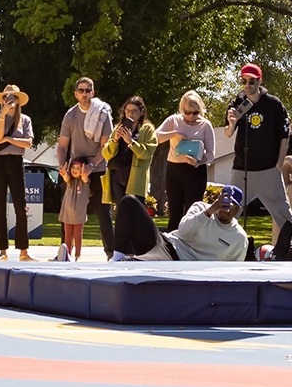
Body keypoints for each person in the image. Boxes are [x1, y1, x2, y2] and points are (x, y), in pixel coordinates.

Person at [224, 63, 292, 243]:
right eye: (244, 81)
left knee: (284, 214)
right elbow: (228, 133)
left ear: (260, 81)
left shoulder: (274, 104)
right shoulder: (237, 102)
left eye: (251, 81)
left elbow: (284, 136)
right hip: (242, 169)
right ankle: (219, 248)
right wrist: (232, 123)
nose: (247, 85)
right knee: (227, 212)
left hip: (268, 170)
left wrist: (279, 164)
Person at [111, 186, 248, 262]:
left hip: (178, 259)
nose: (225, 208)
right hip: (167, 242)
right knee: (129, 201)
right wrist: (208, 212)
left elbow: (233, 272)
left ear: (238, 209)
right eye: (223, 202)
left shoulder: (239, 238)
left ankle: (121, 266)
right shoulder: (201, 208)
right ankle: (116, 259)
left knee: (134, 264)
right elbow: (183, 232)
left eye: (231, 205)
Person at [56, 77, 114, 257]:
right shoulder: (70, 115)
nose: (84, 94)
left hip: (98, 167)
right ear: (75, 94)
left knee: (103, 211)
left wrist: (92, 165)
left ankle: (111, 253)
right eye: (81, 90)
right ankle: (64, 252)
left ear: (93, 93)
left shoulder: (102, 113)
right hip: (75, 171)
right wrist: (62, 166)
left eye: (87, 90)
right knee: (68, 212)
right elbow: (62, 145)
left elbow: (106, 146)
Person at [156, 90, 216, 231]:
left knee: (192, 212)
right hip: (174, 169)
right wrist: (175, 133)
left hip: (196, 171)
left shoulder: (205, 124)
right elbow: (156, 137)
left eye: (195, 113)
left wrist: (199, 162)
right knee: (174, 211)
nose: (191, 116)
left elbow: (211, 154)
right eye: (187, 112)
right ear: (182, 109)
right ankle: (172, 240)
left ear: (200, 110)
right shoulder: (174, 120)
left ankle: (191, 241)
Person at [0, 84, 35, 262]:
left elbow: (28, 143)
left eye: (13, 97)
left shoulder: (25, 119)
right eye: (6, 97)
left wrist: (9, 139)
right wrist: (3, 115)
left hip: (16, 162)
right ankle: (2, 251)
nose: (10, 100)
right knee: (0, 208)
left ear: (18, 100)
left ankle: (24, 251)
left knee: (20, 207)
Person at [101, 96, 157, 205]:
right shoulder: (118, 128)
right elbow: (106, 154)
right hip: (117, 175)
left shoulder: (147, 129)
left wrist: (131, 142)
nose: (130, 114)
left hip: (135, 178)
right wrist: (115, 140)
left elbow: (147, 153)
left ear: (142, 111)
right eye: (127, 111)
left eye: (134, 111)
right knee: (120, 211)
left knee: (134, 211)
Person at [58, 159, 91, 261]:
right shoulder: (70, 182)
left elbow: (85, 179)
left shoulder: (84, 182)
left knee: (77, 235)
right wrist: (64, 173)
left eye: (78, 168)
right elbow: (66, 177)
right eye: (73, 167)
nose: (75, 170)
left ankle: (77, 255)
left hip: (79, 213)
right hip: (68, 212)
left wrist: (84, 174)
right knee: (68, 235)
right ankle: (67, 254)